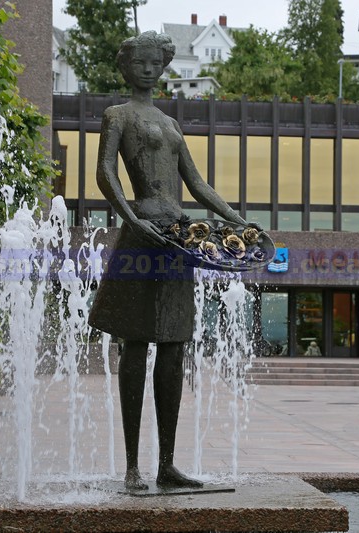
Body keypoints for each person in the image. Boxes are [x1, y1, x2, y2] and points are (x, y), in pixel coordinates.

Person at [87, 31, 253, 491]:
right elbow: (105, 172)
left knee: (175, 347)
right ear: (126, 67)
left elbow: (197, 185)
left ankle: (167, 464)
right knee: (136, 346)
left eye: (153, 62)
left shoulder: (170, 123)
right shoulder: (116, 115)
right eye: (137, 62)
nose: (146, 69)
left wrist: (239, 221)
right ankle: (133, 468)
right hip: (142, 235)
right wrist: (129, 218)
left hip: (178, 239)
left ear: (162, 67)